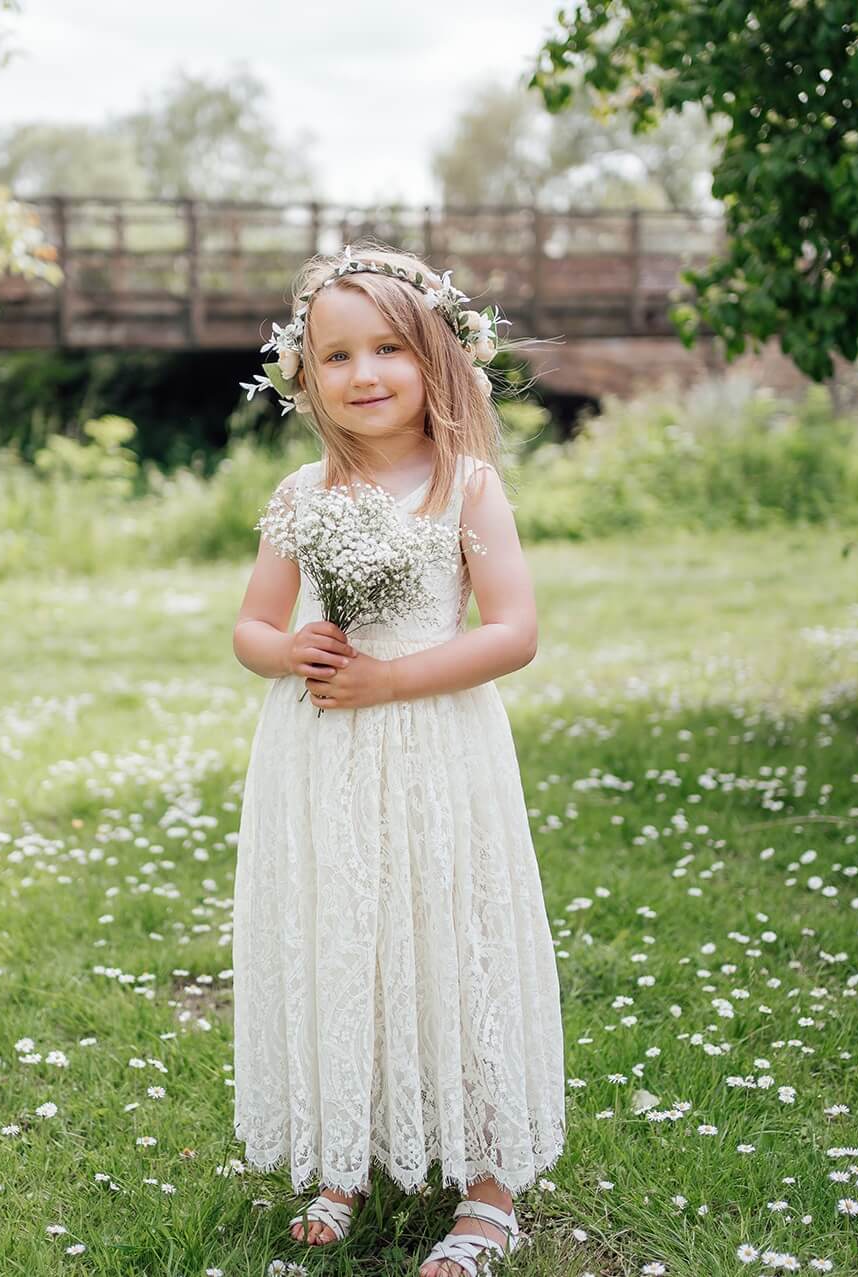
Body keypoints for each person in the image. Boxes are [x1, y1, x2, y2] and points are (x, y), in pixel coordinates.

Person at [231, 241, 565, 1277]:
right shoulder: (300, 492)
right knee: (347, 935)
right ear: (304, 376)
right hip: (323, 753)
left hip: (434, 748)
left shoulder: (464, 485)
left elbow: (512, 632)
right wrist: (289, 650)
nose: (362, 373)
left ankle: (489, 1181)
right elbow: (250, 624)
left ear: (436, 361)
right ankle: (351, 1151)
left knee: (450, 934)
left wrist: (391, 678)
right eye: (336, 356)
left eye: (386, 349)